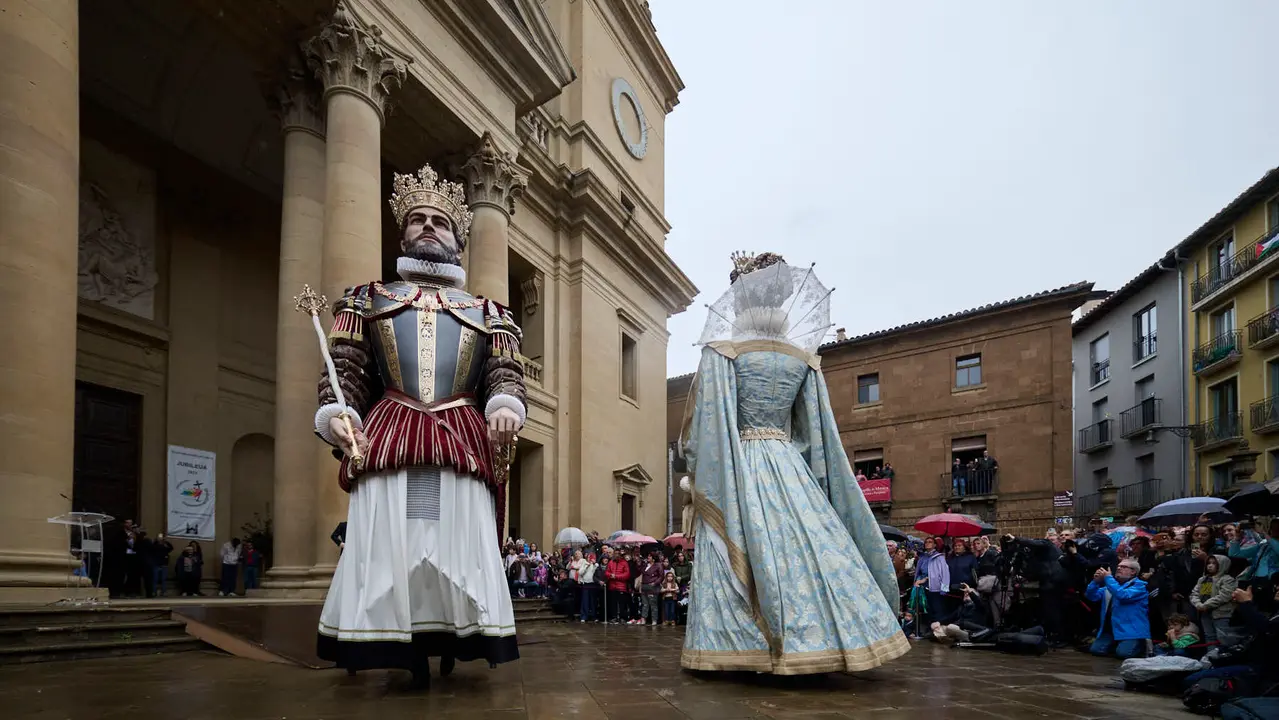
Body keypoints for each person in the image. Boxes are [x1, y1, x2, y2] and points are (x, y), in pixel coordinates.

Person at [312, 162, 526, 687]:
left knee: (456, 544)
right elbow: (345, 370)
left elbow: (505, 370)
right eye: (418, 219)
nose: (429, 227)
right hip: (391, 432)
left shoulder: (489, 311)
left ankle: (452, 635)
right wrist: (337, 413)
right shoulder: (366, 299)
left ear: (457, 239)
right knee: (390, 546)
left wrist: (504, 402)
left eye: (440, 221)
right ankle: (398, 641)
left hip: (461, 436)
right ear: (402, 231)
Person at [678, 252, 908, 674]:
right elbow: (816, 435)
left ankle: (740, 651)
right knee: (808, 548)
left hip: (739, 459)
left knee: (738, 543)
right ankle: (826, 642)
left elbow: (706, 428)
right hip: (788, 462)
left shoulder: (721, 352)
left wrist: (696, 475)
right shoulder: (803, 360)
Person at [1085, 558, 1150, 659]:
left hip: (1131, 631)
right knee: (1095, 650)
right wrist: (1095, 582)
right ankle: (1117, 645)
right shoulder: (1112, 586)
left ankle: (1140, 645)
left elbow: (1123, 595)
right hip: (1111, 629)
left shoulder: (1140, 586)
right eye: (1118, 566)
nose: (1119, 568)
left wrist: (1108, 578)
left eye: (1123, 567)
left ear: (1133, 572)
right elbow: (1092, 596)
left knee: (1124, 654)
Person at [1190, 554, 1238, 645]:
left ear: (1223, 565)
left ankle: (1224, 657)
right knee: (1209, 636)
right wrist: (1198, 604)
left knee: (1223, 637)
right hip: (1205, 613)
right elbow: (1196, 594)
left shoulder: (1227, 579)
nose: (1210, 565)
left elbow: (1224, 596)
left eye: (1214, 563)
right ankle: (1210, 656)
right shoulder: (1204, 579)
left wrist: (1205, 605)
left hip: (1221, 614)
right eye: (1208, 563)